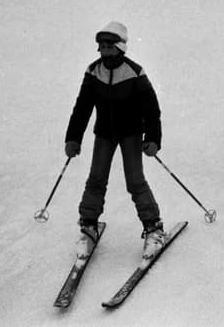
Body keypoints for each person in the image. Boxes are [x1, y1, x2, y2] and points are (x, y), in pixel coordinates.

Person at [65, 21, 166, 261]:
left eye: (109, 46)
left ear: (120, 47)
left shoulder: (134, 72)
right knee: (96, 178)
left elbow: (152, 109)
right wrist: (73, 138)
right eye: (100, 46)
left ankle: (153, 228)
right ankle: (89, 224)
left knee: (135, 181)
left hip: (131, 134)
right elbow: (82, 108)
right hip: (104, 134)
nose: (104, 51)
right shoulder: (93, 71)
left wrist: (153, 138)